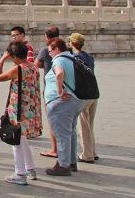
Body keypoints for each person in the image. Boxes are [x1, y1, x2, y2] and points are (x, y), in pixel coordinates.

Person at [0, 41, 42, 185]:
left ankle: (19, 173)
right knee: (23, 140)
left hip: (19, 109)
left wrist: (2, 60)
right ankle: (30, 169)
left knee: (16, 140)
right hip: (31, 109)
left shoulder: (18, 69)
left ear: (14, 55)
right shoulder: (33, 67)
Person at [44, 38, 85, 176]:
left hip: (62, 103)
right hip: (76, 100)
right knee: (70, 132)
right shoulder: (72, 58)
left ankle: (63, 165)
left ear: (56, 49)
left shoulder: (59, 59)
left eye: (50, 51)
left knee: (62, 134)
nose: (49, 54)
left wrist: (59, 91)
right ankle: (71, 161)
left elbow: (59, 73)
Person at [67, 33, 99, 163]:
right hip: (94, 93)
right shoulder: (89, 57)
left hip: (83, 95)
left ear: (72, 43)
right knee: (89, 124)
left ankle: (87, 154)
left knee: (82, 125)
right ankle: (93, 151)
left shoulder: (74, 58)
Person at [35, 25, 60, 158]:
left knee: (52, 120)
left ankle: (55, 149)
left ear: (47, 37)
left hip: (51, 89)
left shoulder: (46, 50)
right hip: (69, 90)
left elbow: (37, 64)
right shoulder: (66, 47)